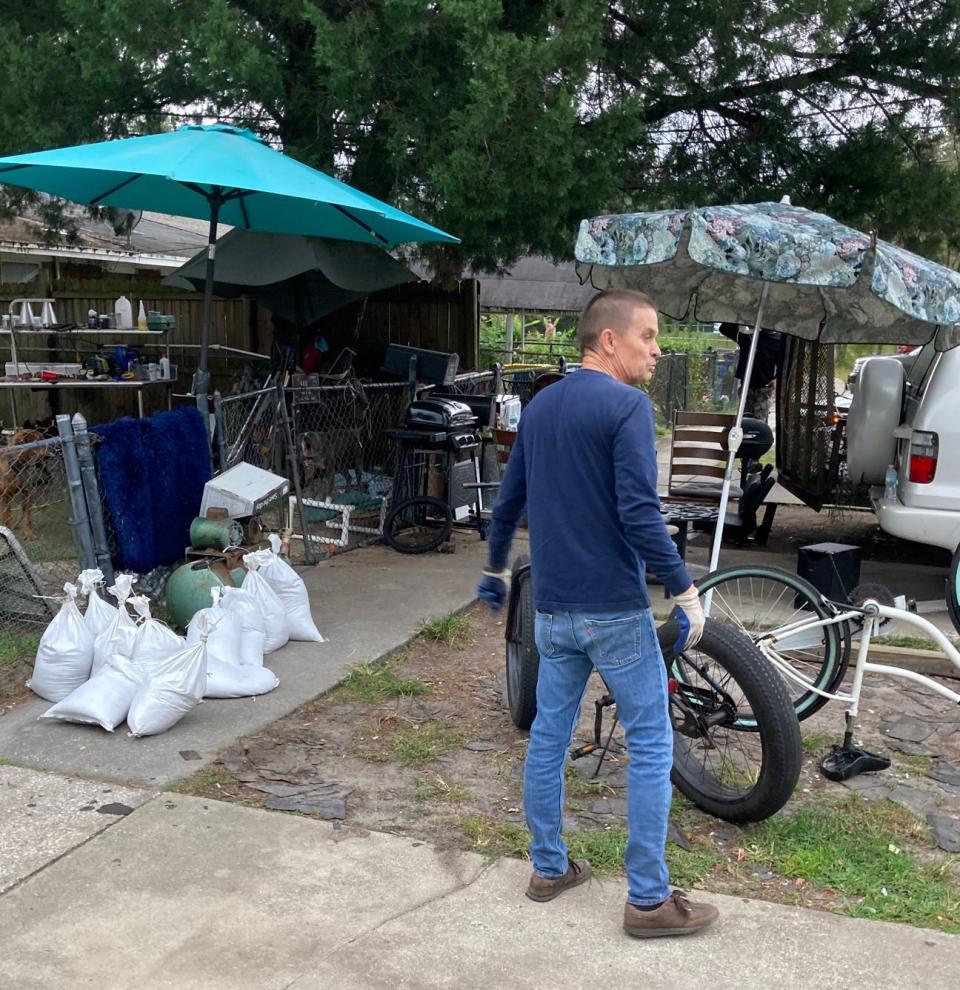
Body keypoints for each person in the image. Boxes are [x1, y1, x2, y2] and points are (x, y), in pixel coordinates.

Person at [476, 289, 718, 939]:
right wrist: (684, 589)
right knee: (650, 743)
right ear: (608, 340)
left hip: (552, 611)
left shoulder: (544, 406)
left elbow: (508, 503)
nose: (657, 350)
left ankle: (549, 868)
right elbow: (639, 513)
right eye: (648, 336)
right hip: (613, 610)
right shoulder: (627, 407)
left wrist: (497, 568)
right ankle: (647, 901)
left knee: (549, 736)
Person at [718, 322, 782, 423]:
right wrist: (743, 320)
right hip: (747, 385)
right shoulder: (748, 337)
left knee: (758, 420)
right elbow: (725, 328)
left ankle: (758, 436)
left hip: (763, 386)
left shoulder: (776, 340)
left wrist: (776, 379)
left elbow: (782, 363)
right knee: (745, 419)